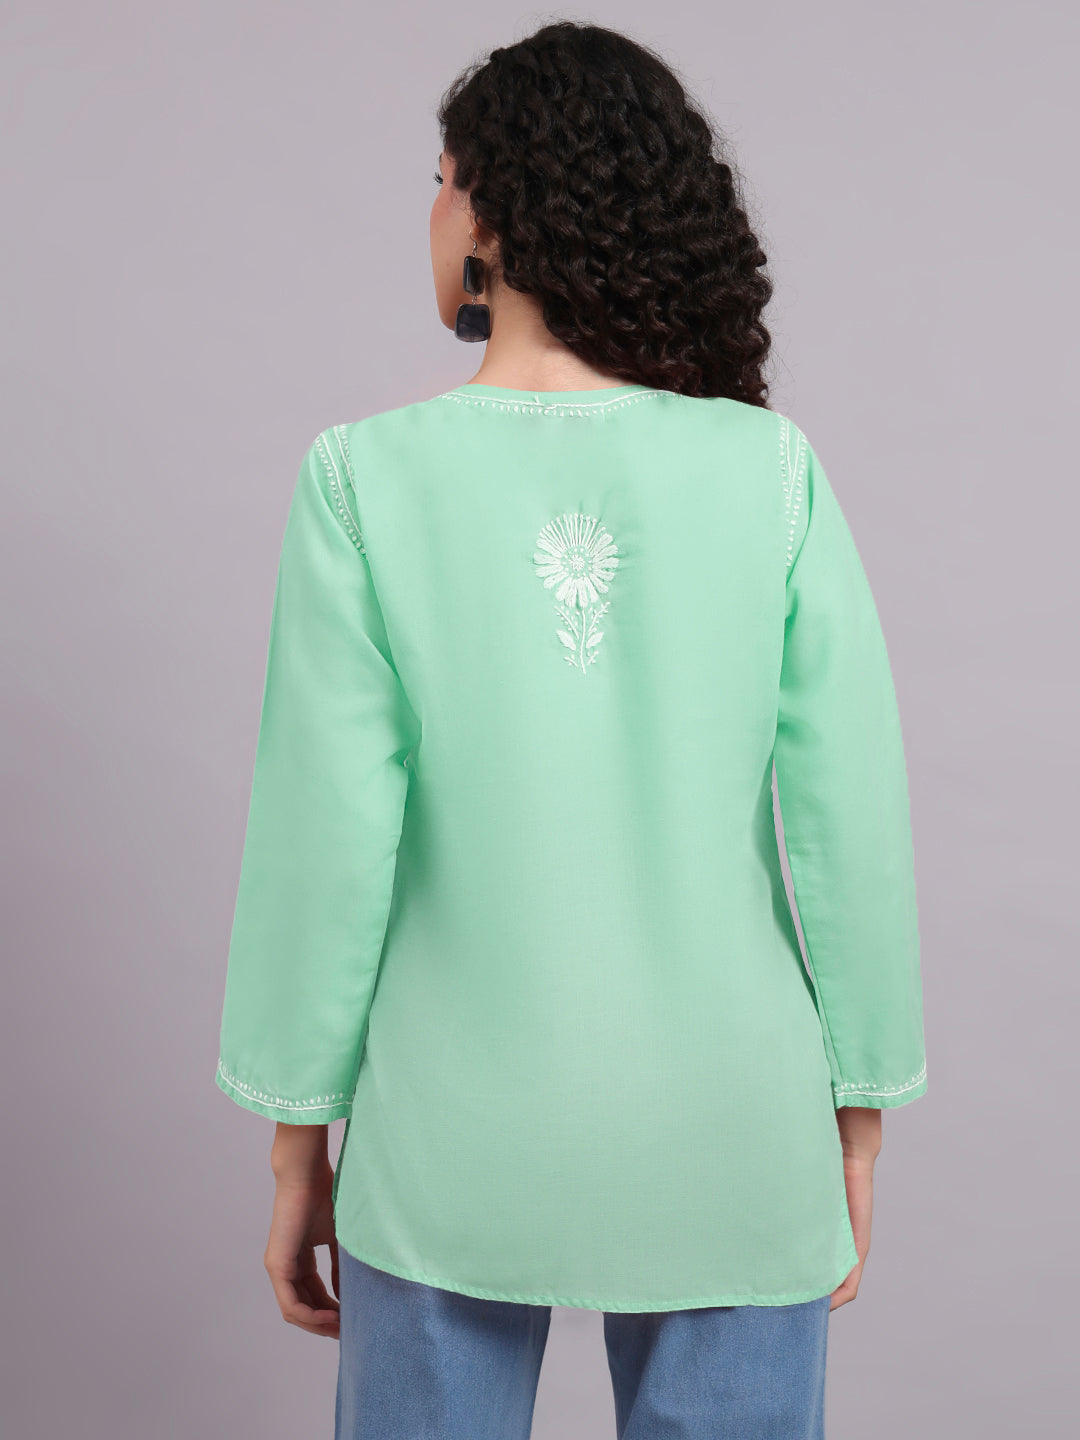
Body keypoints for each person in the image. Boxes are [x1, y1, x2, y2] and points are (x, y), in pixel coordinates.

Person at [214, 20, 928, 1440]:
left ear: (493, 212)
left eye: (439, 180)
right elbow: (849, 820)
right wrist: (857, 1120)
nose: (430, 212)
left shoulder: (362, 480)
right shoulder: (770, 473)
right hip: (732, 1128)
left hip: (447, 1141)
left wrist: (300, 1146)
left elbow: (324, 841)